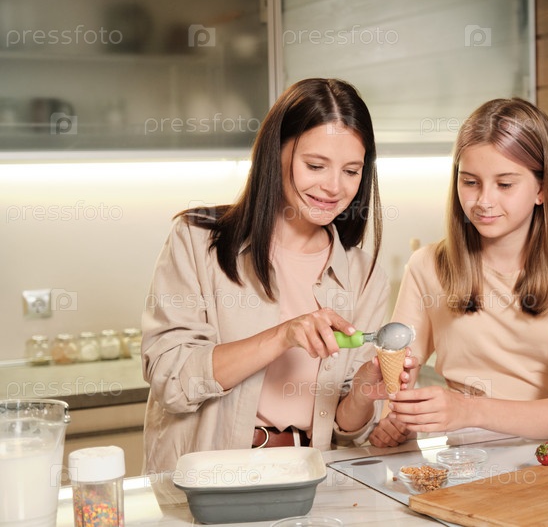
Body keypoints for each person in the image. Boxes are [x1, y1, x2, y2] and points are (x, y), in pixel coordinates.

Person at [141, 78, 406, 474]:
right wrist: (282, 336)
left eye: (351, 171)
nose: (334, 187)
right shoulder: (197, 242)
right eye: (315, 166)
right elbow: (171, 379)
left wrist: (366, 391)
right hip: (207, 480)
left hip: (309, 477)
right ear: (275, 153)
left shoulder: (364, 275)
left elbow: (349, 432)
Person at [368, 97, 548, 448]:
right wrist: (397, 418)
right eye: (471, 182)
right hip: (462, 461)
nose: (484, 201)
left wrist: (468, 410)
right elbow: (392, 384)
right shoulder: (426, 266)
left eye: (505, 184)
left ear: (542, 188)